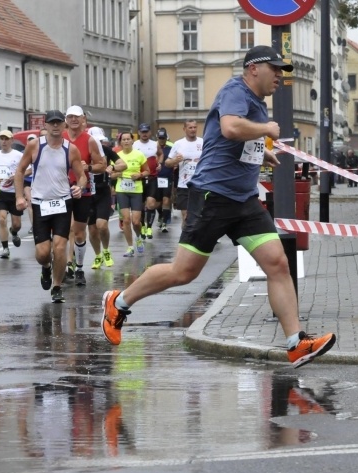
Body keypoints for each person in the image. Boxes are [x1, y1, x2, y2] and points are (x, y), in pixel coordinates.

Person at [99, 45, 337, 368]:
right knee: (183, 272)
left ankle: (295, 343)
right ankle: (119, 302)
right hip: (212, 196)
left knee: (278, 263)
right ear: (254, 69)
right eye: (275, 70)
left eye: (282, 71)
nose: (280, 77)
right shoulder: (236, 91)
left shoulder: (255, 101)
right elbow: (230, 127)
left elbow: (232, 137)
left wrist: (259, 151)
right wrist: (265, 131)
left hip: (243, 201)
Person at [13, 110, 88, 303]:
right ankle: (46, 268)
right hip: (40, 203)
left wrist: (79, 187)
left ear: (64, 126)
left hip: (63, 202)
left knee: (60, 246)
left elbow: (82, 176)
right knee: (43, 253)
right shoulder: (35, 146)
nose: (55, 126)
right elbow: (20, 170)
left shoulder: (70, 149)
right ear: (45, 126)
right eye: (51, 123)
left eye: (58, 123)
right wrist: (19, 197)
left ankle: (57, 286)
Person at [63, 105, 106, 286]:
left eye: (77, 117)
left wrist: (87, 167)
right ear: (66, 120)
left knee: (79, 232)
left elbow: (102, 165)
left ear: (83, 120)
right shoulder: (59, 138)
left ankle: (80, 268)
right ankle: (66, 267)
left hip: (83, 189)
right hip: (61, 189)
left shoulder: (90, 141)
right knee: (64, 231)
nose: (74, 120)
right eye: (70, 117)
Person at [87, 126, 127, 270]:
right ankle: (98, 255)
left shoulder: (106, 151)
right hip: (87, 192)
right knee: (92, 229)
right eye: (95, 141)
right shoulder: (83, 152)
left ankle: (106, 250)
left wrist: (113, 168)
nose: (98, 144)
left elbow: (123, 164)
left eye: (100, 141)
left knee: (102, 226)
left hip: (103, 191)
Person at [0, 130, 26, 259]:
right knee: (1, 218)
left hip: (15, 192)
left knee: (17, 224)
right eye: (2, 139)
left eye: (6, 139)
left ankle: (14, 233)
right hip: (0, 192)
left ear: (11, 141)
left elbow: (29, 169)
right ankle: (5, 248)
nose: (4, 141)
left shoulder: (18, 155)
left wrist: (15, 176)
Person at [111, 132, 149, 257]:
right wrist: (118, 175)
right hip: (122, 190)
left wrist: (140, 175)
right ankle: (130, 247)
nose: (126, 141)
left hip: (136, 190)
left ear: (132, 141)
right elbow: (111, 174)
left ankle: (138, 238)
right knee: (126, 220)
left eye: (128, 139)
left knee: (136, 221)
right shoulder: (116, 156)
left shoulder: (139, 155)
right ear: (120, 142)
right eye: (124, 140)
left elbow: (147, 171)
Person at [166, 120, 204, 228]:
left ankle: (198, 240)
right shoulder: (178, 144)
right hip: (184, 185)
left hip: (200, 184)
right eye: (190, 127)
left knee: (200, 216)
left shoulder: (203, 142)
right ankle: (186, 240)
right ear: (184, 129)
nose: (193, 130)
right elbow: (167, 163)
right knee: (186, 216)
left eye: (194, 127)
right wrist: (175, 161)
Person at [133, 123, 163, 239]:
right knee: (140, 205)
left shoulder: (155, 144)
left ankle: (150, 227)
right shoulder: (134, 145)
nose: (144, 134)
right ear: (139, 133)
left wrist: (159, 163)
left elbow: (160, 155)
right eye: (142, 132)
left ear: (150, 132)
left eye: (146, 132)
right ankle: (143, 226)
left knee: (151, 203)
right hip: (139, 178)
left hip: (152, 177)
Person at [155, 128, 175, 232]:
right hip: (155, 177)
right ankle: (161, 215)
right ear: (157, 138)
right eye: (160, 138)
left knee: (166, 200)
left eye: (163, 138)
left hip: (167, 177)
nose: (161, 140)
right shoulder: (153, 147)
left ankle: (164, 222)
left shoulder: (171, 147)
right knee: (157, 202)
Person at [24, 133, 38, 234]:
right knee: (29, 203)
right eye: (29, 140)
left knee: (36, 204)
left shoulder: (39, 151)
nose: (30, 141)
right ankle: (34, 225)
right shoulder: (22, 153)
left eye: (33, 139)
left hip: (37, 181)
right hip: (27, 181)